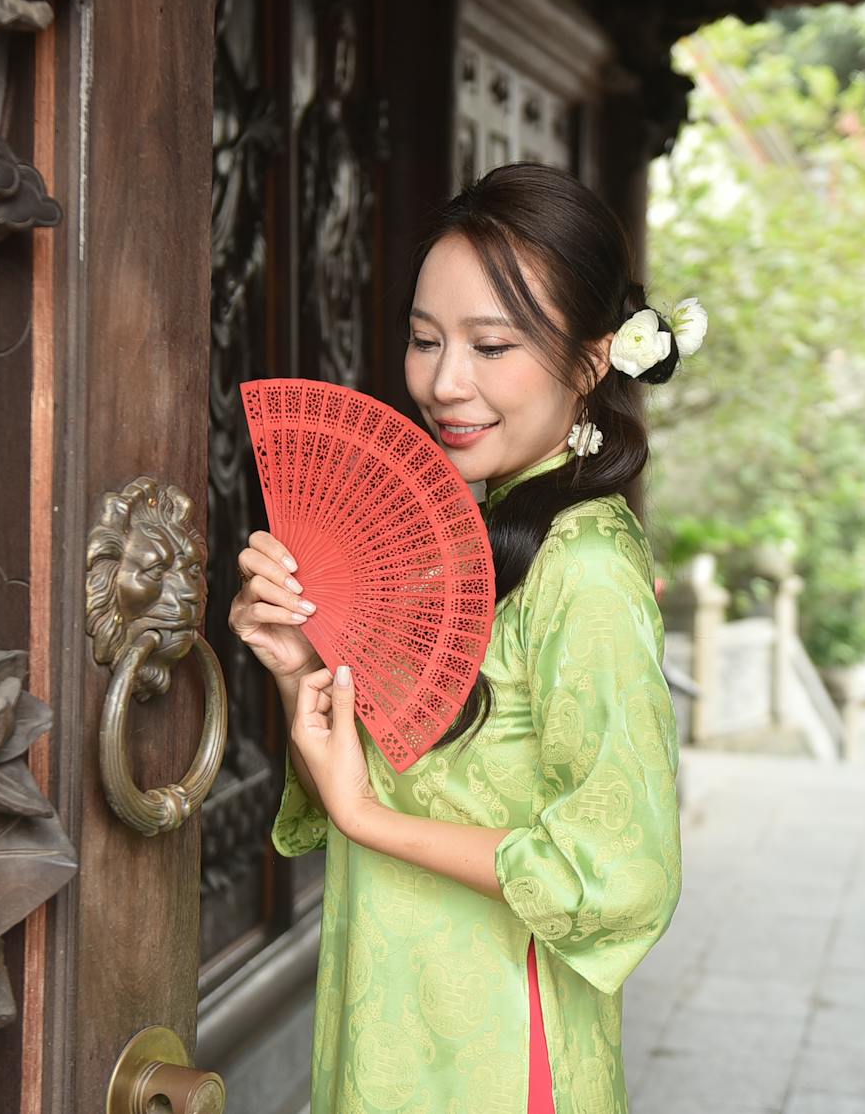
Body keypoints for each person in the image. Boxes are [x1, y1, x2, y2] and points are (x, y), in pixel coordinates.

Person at [229, 164, 694, 1113]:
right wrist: (295, 667)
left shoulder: (586, 573)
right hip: (392, 1018)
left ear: (592, 361)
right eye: (425, 340)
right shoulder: (466, 544)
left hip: (494, 1050)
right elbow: (387, 773)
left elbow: (618, 871)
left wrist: (368, 821)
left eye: (492, 346)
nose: (446, 383)